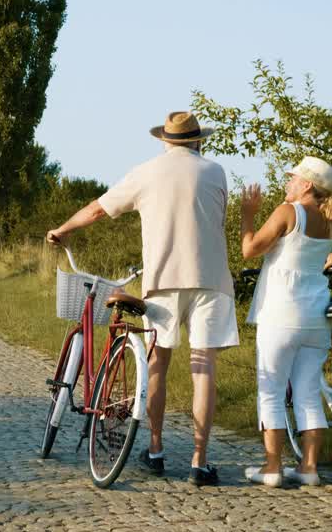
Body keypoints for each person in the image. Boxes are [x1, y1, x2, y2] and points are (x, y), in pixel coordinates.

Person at [46, 111, 238, 486]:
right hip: (211, 282)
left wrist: (63, 229)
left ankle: (155, 450)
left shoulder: (146, 172)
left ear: (165, 140)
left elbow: (99, 208)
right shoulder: (216, 172)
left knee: (157, 365)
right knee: (203, 370)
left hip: (164, 281)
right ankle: (200, 462)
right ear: (198, 140)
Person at [239, 156, 332, 487]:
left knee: (271, 391)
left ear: (306, 185)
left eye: (292, 179)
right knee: (306, 392)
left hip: (280, 315)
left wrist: (247, 215)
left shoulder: (288, 212)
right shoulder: (330, 219)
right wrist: (324, 261)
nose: (287, 184)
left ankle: (272, 467)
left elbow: (250, 249)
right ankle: (309, 468)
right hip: (316, 318)